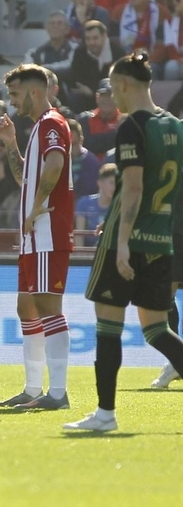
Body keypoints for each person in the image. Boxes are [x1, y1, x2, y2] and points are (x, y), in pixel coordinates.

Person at [67, 52, 183, 430]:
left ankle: (105, 415)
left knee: (107, 325)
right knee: (156, 330)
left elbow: (132, 188)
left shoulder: (133, 126)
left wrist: (120, 244)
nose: (112, 96)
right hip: (161, 240)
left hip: (128, 238)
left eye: (113, 87)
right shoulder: (177, 128)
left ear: (124, 85)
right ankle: (104, 414)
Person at [0, 65, 76, 412]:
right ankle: (33, 389)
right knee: (26, 306)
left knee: (47, 306)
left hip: (47, 232)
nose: (12, 103)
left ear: (34, 91)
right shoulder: (38, 127)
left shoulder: (53, 123)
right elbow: (25, 176)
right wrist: (11, 143)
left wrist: (36, 207)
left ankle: (57, 393)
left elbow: (54, 167)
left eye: (15, 95)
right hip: (33, 235)